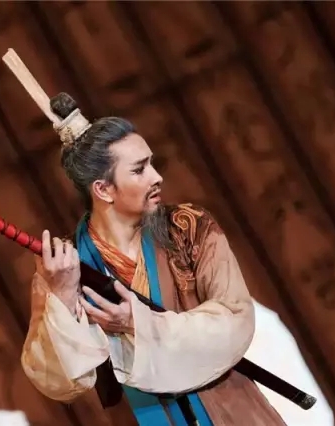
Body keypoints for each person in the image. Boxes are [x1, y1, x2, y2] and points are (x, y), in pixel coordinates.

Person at [20, 93, 290, 425]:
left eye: (152, 163)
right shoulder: (64, 266)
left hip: (232, 411)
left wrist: (138, 323)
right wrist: (61, 295)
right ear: (103, 190)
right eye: (139, 170)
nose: (156, 176)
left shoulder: (188, 227)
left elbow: (235, 319)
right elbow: (56, 382)